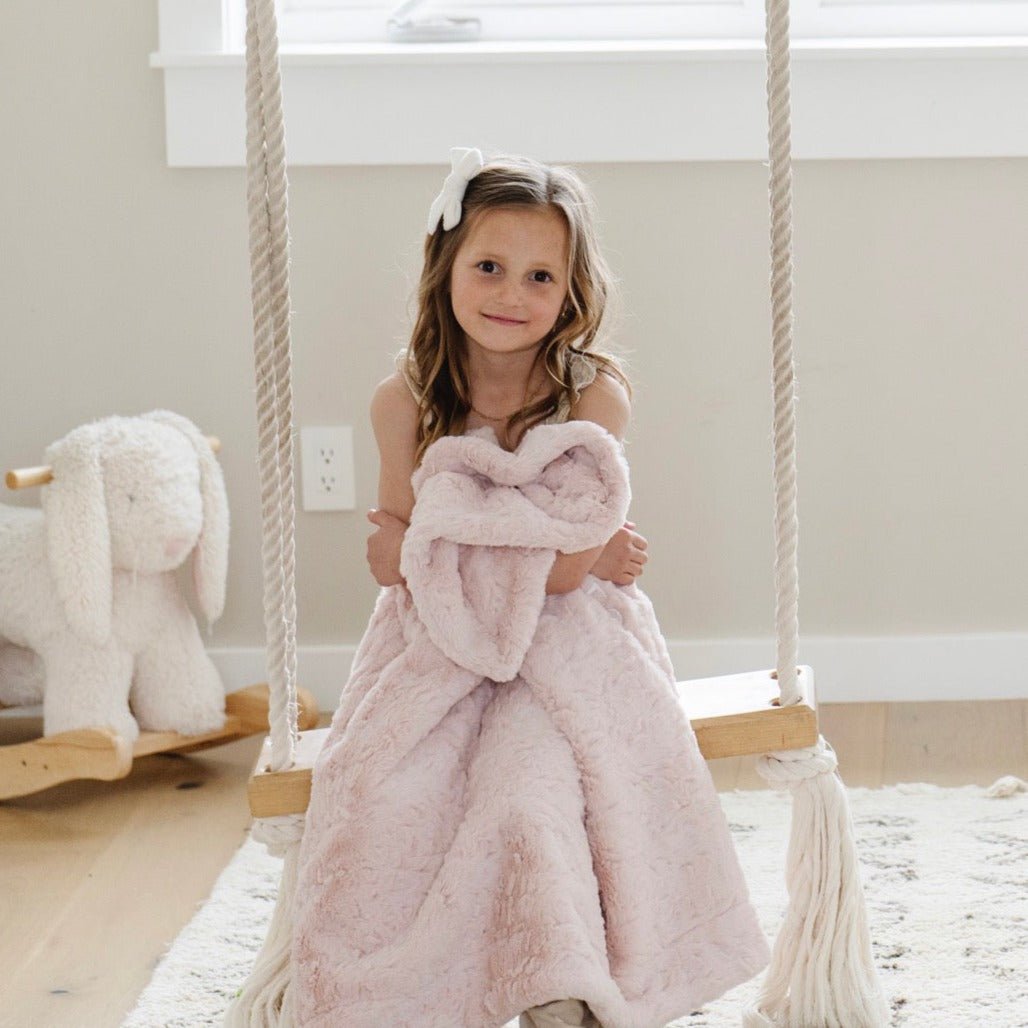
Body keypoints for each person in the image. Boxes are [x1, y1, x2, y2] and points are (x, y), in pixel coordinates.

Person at [366, 147, 650, 1028]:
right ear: (445, 267)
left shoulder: (592, 398)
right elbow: (389, 562)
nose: (511, 294)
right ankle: (443, 980)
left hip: (568, 641)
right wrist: (558, 548)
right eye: (488, 266)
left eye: (540, 276)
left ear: (571, 292)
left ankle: (555, 982)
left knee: (529, 789)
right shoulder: (406, 404)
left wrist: (448, 541)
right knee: (401, 791)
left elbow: (561, 576)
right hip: (440, 639)